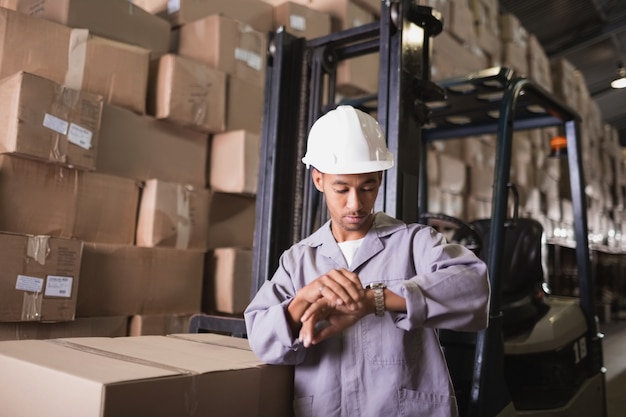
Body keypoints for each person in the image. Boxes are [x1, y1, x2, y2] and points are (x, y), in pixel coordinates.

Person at [244, 105, 490, 417]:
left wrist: (376, 299)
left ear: (380, 179)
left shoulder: (415, 243)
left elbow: (473, 287)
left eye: (367, 187)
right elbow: (261, 339)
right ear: (318, 180)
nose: (355, 204)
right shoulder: (298, 261)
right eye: (341, 189)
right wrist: (302, 300)